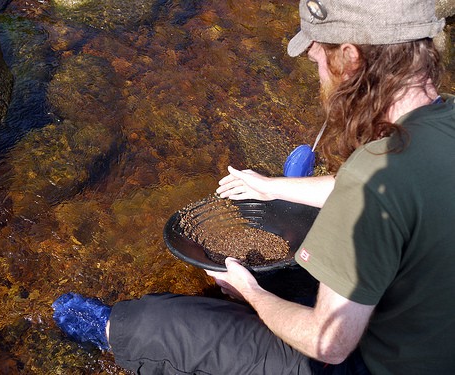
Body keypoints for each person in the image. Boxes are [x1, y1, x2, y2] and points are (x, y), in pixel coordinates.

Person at [52, 0, 455, 374]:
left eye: (318, 62)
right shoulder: (443, 119)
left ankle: (111, 330)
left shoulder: (372, 177)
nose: (319, 79)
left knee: (166, 323)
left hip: (372, 363)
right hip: (429, 330)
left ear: (351, 58)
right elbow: (372, 192)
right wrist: (272, 187)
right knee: (301, 257)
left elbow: (329, 343)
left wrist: (251, 293)